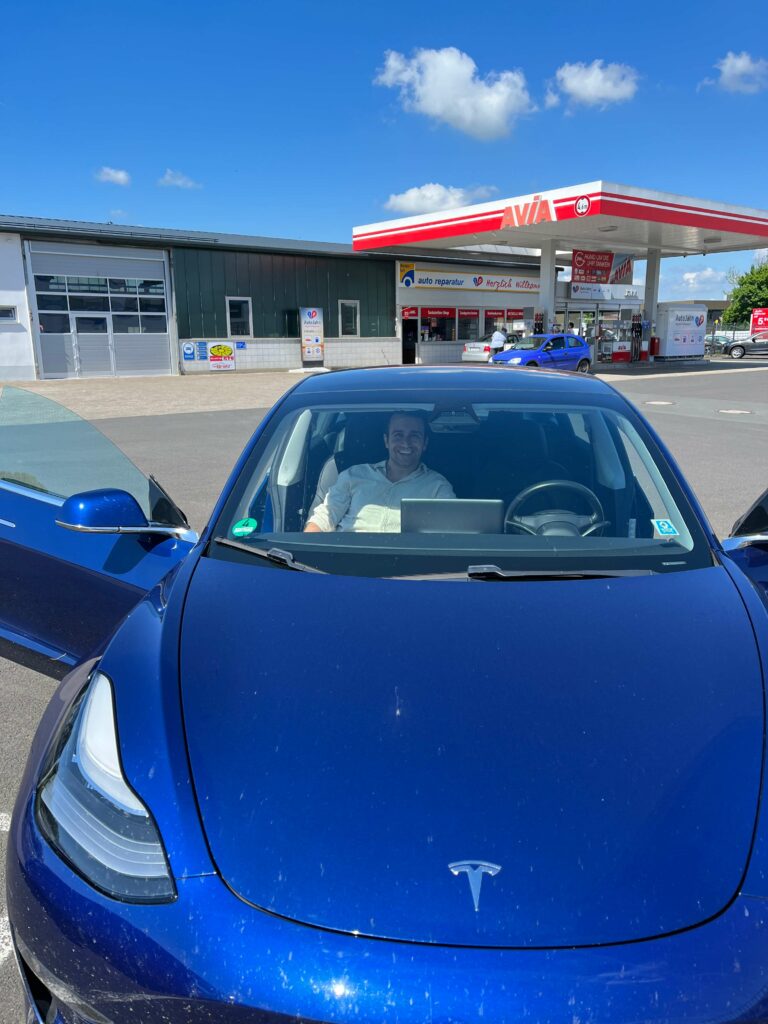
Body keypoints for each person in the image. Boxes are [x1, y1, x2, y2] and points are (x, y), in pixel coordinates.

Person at [304, 411, 454, 533]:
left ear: (424, 443)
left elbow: (451, 533)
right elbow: (323, 520)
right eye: (398, 435)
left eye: (414, 436)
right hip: (344, 562)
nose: (406, 443)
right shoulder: (353, 475)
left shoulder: (437, 487)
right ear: (386, 441)